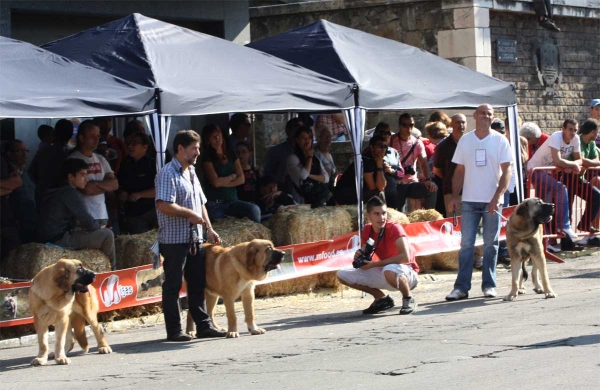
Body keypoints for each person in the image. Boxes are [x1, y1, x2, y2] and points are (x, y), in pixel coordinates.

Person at [155, 129, 226, 342]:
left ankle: (203, 326)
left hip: (195, 238)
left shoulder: (192, 172)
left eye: (198, 147)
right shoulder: (167, 173)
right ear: (180, 149)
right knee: (173, 285)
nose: (198, 152)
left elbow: (201, 203)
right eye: (194, 148)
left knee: (197, 283)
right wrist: (188, 215)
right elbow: (163, 204)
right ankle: (174, 330)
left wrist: (209, 229)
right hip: (174, 240)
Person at [445, 104, 512, 301]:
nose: (485, 116)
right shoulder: (466, 140)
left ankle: (489, 285)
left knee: (491, 245)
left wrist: (498, 196)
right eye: (482, 113)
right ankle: (461, 288)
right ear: (474, 116)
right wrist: (455, 197)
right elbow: (459, 171)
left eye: (489, 114)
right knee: (466, 245)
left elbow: (507, 170)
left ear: (493, 117)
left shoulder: (500, 140)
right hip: (469, 200)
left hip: (491, 201)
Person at [337, 195, 420, 315]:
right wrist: (360, 256)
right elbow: (366, 252)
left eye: (384, 213)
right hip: (387, 272)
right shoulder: (367, 229)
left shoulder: (394, 228)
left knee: (389, 269)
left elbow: (405, 257)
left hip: (407, 273)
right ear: (368, 215)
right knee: (342, 274)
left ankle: (408, 298)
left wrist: (375, 264)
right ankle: (381, 299)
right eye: (376, 214)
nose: (381, 218)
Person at [38, 158, 116, 270]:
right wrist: (99, 228)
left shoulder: (56, 190)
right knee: (107, 235)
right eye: (82, 175)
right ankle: (112, 272)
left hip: (49, 237)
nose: (86, 179)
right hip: (58, 239)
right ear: (70, 177)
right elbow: (87, 221)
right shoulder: (69, 192)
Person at [527, 119, 582, 242]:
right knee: (560, 188)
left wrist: (571, 165)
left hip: (549, 172)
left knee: (544, 206)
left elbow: (580, 160)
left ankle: (545, 241)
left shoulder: (576, 139)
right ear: (563, 129)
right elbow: (557, 161)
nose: (572, 133)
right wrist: (572, 165)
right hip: (536, 170)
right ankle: (564, 225)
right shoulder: (556, 137)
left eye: (575, 130)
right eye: (570, 129)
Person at [201, 124, 261, 222]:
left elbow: (241, 179)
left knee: (254, 210)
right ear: (208, 140)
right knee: (219, 229)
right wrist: (231, 177)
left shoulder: (231, 153)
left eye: (218, 134)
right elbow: (215, 182)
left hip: (232, 200)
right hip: (215, 204)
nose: (217, 138)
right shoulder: (207, 157)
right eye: (213, 136)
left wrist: (223, 182)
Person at [67, 120, 119, 225]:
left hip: (102, 214)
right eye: (92, 136)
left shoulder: (101, 159)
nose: (96, 140)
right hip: (82, 218)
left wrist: (94, 184)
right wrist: (104, 185)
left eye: (98, 136)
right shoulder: (73, 160)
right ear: (81, 138)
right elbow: (86, 189)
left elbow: (115, 184)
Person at [391, 113, 438, 211]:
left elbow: (424, 163)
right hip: (396, 183)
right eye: (405, 125)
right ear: (399, 126)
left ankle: (428, 218)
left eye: (411, 125)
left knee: (432, 189)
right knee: (398, 211)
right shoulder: (392, 141)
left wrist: (428, 179)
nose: (408, 128)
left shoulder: (417, 143)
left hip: (412, 182)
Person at [564, 119, 600, 235]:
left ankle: (584, 224)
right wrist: (585, 162)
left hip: (579, 179)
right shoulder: (577, 140)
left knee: (596, 196)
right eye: (597, 132)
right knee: (567, 208)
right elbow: (579, 160)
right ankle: (565, 237)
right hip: (567, 178)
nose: (597, 135)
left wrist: (586, 162)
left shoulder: (592, 143)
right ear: (593, 132)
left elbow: (595, 159)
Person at [118, 133, 158, 234]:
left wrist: (140, 194)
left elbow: (161, 189)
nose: (130, 146)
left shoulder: (153, 165)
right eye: (129, 143)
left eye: (135, 143)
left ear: (144, 147)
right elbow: (119, 184)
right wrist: (122, 192)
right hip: (133, 214)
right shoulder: (125, 164)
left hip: (152, 210)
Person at [29, 119, 74, 207]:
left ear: (55, 133)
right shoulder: (72, 154)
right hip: (65, 199)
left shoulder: (43, 152)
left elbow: (32, 173)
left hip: (44, 196)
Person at [334, 135, 387, 205]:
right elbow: (373, 188)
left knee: (380, 193)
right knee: (376, 194)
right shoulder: (365, 160)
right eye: (380, 146)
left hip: (358, 194)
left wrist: (379, 164)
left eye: (385, 146)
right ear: (371, 147)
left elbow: (381, 186)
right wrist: (379, 165)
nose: (383, 149)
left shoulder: (378, 161)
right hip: (346, 196)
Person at [286, 126, 330, 206]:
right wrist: (309, 157)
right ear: (297, 140)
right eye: (303, 138)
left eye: (309, 138)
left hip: (318, 199)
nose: (307, 140)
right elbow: (303, 176)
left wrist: (310, 175)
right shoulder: (292, 158)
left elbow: (326, 178)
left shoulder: (315, 157)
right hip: (302, 201)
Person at [433, 114, 467, 218]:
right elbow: (437, 170)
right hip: (451, 191)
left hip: (470, 190)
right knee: (454, 222)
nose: (461, 125)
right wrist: (452, 178)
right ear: (451, 124)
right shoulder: (443, 146)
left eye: (463, 122)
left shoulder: (471, 142)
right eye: (458, 122)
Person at [5, 140, 37, 243]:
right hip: (16, 223)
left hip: (32, 219)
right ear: (10, 154)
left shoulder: (25, 172)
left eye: (26, 151)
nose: (25, 154)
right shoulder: (6, 173)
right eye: (20, 151)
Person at [263, 117, 303, 186]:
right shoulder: (275, 152)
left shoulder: (307, 152)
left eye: (302, 128)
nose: (299, 130)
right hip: (281, 191)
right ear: (288, 131)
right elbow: (267, 176)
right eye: (296, 126)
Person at [313, 123, 337, 192]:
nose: (328, 140)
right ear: (318, 138)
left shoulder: (329, 154)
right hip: (321, 191)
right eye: (324, 137)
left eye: (329, 137)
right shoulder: (316, 155)